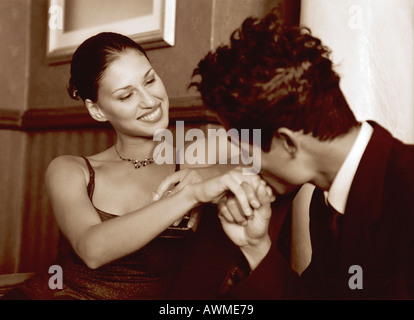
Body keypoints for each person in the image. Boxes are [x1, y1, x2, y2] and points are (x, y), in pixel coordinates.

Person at [1, 32, 272, 300]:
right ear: (97, 110)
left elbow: (273, 151)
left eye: (150, 80)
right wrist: (191, 194)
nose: (150, 100)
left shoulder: (194, 158)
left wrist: (207, 173)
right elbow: (92, 249)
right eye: (126, 96)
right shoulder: (71, 169)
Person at [183, 11, 414, 299]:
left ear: (287, 143)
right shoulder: (326, 199)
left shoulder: (406, 187)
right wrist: (256, 246)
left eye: (246, 149)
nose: (247, 163)